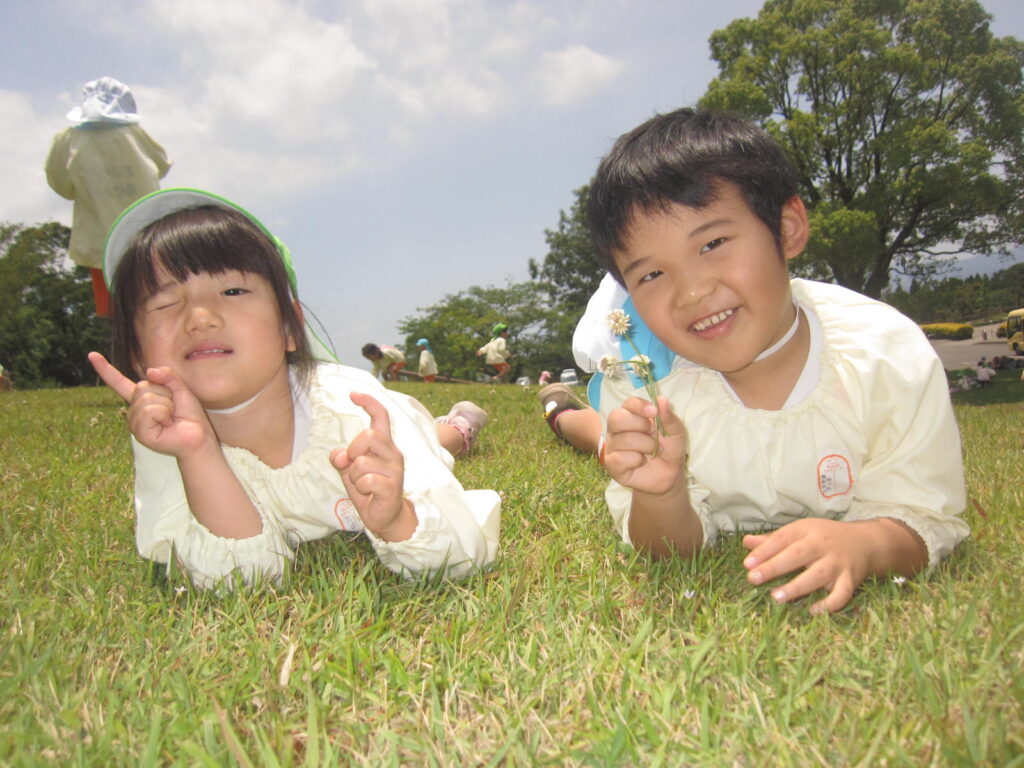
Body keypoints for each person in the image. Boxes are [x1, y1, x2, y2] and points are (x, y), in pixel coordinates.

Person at [569, 108, 968, 615]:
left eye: (713, 244)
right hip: (629, 409)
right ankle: (562, 414)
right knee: (601, 435)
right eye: (651, 275)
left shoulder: (885, 355)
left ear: (787, 228)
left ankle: (564, 413)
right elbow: (668, 552)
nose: (692, 292)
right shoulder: (646, 386)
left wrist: (866, 543)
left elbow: (925, 515)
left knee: (596, 433)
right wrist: (661, 494)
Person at [88, 188, 498, 590]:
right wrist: (198, 453)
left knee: (436, 444)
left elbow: (460, 554)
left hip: (395, 427)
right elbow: (241, 581)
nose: (200, 317)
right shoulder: (166, 437)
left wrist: (397, 520)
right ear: (136, 352)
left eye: (232, 291)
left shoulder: (356, 410)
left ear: (289, 327)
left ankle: (458, 427)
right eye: (164, 303)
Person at [46, 76, 171, 317]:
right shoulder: (135, 134)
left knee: (113, 314)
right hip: (146, 236)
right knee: (152, 305)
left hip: (98, 243)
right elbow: (163, 165)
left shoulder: (67, 139)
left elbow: (62, 186)